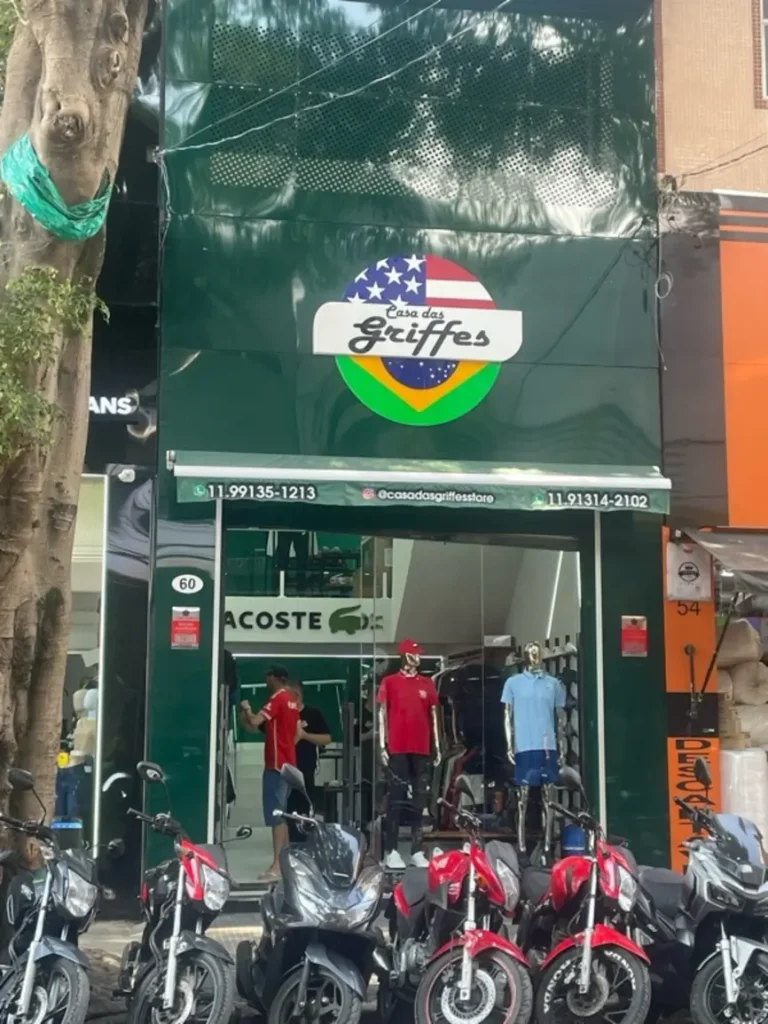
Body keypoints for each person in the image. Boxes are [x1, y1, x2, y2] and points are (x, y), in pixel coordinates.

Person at [239, 664, 300, 881]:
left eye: (268, 677)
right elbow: (293, 732)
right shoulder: (293, 700)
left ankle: (277, 865)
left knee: (276, 815)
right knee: (281, 814)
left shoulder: (278, 698)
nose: (266, 680)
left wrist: (247, 708)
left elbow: (256, 721)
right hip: (289, 762)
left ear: (274, 678)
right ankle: (286, 863)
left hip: (276, 764)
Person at [287, 680, 331, 841]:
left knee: (304, 803)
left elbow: (327, 738)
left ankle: (305, 838)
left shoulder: (313, 714)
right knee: (287, 804)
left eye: (296, 694)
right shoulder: (283, 713)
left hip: (306, 765)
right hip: (285, 766)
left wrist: (305, 736)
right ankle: (290, 839)